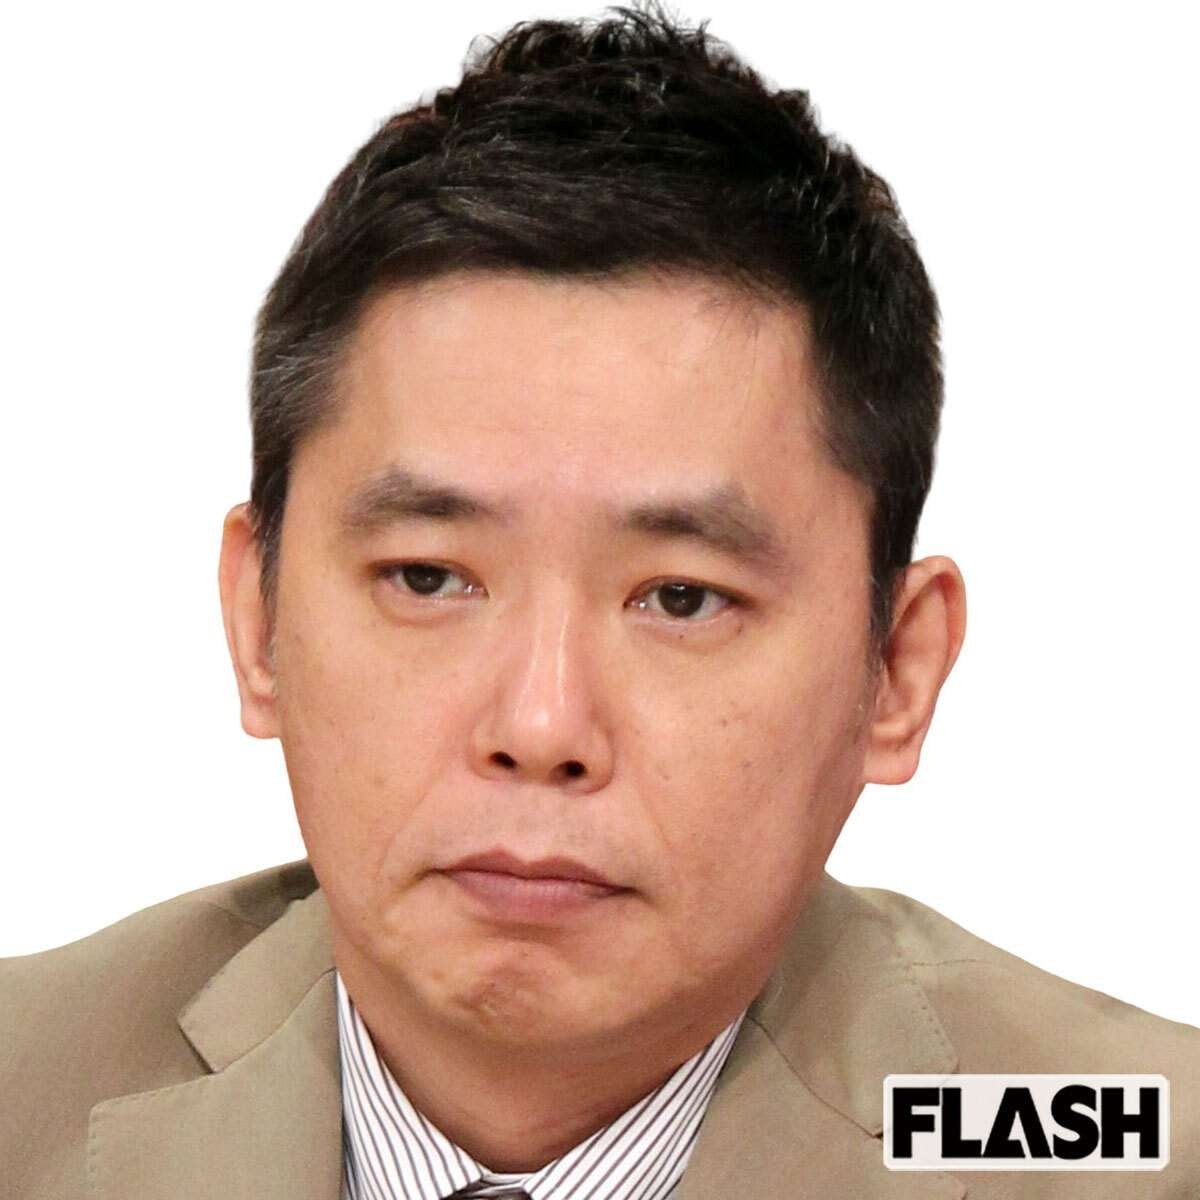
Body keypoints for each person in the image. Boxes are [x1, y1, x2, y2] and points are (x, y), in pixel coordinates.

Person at [3, 4, 1196, 1197]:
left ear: (897, 671)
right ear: (258, 622)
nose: (540, 728)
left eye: (681, 597)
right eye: (429, 577)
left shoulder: (1131, 1149)